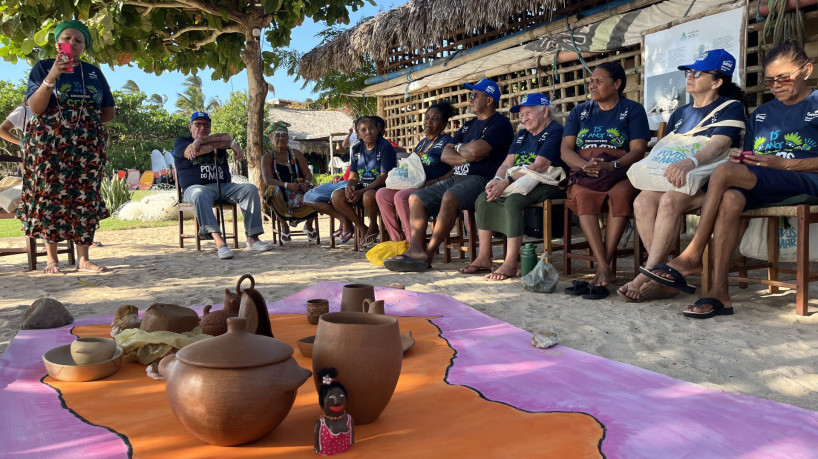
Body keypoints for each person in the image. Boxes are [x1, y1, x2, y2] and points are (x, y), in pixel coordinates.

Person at [641, 40, 818, 318]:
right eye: (770, 81)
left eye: (783, 77)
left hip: (805, 179)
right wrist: (744, 158)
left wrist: (785, 163)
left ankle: (692, 255)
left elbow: (780, 162)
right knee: (731, 197)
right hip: (767, 179)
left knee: (722, 173)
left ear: (806, 70)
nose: (776, 86)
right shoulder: (761, 114)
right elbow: (758, 156)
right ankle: (719, 293)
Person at [618, 49, 746, 302]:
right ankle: (664, 274)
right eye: (689, 71)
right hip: (678, 180)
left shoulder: (730, 107)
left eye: (698, 72)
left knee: (669, 200)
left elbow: (719, 145)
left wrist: (690, 162)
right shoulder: (680, 113)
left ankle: (648, 276)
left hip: (709, 184)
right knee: (642, 201)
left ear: (717, 81)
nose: (690, 76)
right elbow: (667, 149)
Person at [384, 79, 514, 271]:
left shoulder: (500, 123)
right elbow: (446, 154)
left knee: (449, 197)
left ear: (489, 100)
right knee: (416, 198)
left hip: (482, 179)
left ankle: (427, 255)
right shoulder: (468, 125)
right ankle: (416, 250)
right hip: (458, 177)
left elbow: (478, 149)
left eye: (474, 95)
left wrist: (462, 150)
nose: (469, 99)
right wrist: (468, 156)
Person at [16, 20, 115, 274]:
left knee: (84, 196)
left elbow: (108, 112)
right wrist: (52, 76)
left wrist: (81, 123)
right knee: (50, 194)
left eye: (79, 40)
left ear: (84, 46)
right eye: (68, 38)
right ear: (58, 42)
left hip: (87, 144)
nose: (73, 43)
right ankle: (52, 259)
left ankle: (84, 259)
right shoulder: (43, 67)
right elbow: (36, 108)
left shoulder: (93, 72)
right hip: (50, 144)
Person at [560, 62, 651, 298]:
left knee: (620, 194)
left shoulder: (632, 109)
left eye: (598, 81)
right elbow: (565, 150)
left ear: (617, 84)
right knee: (582, 194)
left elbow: (638, 150)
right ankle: (604, 266)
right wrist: (583, 165)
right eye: (591, 81)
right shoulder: (580, 111)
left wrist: (612, 165)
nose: (592, 85)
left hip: (621, 171)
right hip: (586, 171)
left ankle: (604, 266)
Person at [460, 93, 565, 281]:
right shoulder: (522, 134)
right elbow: (507, 163)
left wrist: (506, 182)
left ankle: (510, 262)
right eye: (522, 115)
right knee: (483, 199)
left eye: (528, 113)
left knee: (514, 201)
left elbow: (540, 165)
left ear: (545, 111)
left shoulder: (555, 131)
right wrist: (496, 179)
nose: (524, 119)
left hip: (546, 181)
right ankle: (484, 257)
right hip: (518, 180)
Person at [173, 111, 272, 259]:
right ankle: (219, 242)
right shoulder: (181, 142)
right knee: (200, 194)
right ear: (190, 127)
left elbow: (227, 137)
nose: (202, 128)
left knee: (250, 189)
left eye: (206, 125)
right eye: (198, 124)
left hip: (224, 187)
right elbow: (193, 153)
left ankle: (253, 239)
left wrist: (205, 141)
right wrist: (213, 144)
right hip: (194, 188)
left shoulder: (216, 141)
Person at [375, 101, 454, 242]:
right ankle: (398, 241)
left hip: (433, 187)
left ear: (443, 125)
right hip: (415, 184)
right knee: (382, 194)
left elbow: (456, 170)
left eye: (434, 119)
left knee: (401, 197)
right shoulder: (422, 143)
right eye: (427, 117)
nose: (429, 121)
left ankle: (415, 243)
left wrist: (436, 181)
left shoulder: (447, 142)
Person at [330, 116, 396, 247]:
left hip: (383, 187)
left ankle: (373, 224)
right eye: (363, 130)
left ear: (377, 130)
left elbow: (384, 177)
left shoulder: (385, 147)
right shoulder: (356, 149)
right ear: (358, 134)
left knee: (368, 195)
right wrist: (350, 187)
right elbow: (353, 175)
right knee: (337, 196)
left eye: (371, 128)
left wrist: (361, 191)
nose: (368, 132)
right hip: (364, 187)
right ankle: (362, 227)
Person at [260, 120, 317, 242]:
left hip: (300, 190)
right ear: (272, 138)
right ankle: (284, 227)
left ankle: (309, 225)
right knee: (271, 191)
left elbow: (307, 173)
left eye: (284, 135)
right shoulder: (268, 157)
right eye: (278, 135)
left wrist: (306, 183)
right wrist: (287, 185)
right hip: (280, 192)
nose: (281, 138)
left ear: (288, 138)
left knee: (318, 193)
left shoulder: (296, 154)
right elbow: (268, 180)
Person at [314, 367, 354, 455]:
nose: (337, 402)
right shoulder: (320, 424)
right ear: (322, 402)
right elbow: (317, 444)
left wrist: (352, 441)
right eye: (331, 397)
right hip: (326, 452)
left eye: (341, 396)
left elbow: (351, 437)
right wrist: (317, 448)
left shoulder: (349, 419)